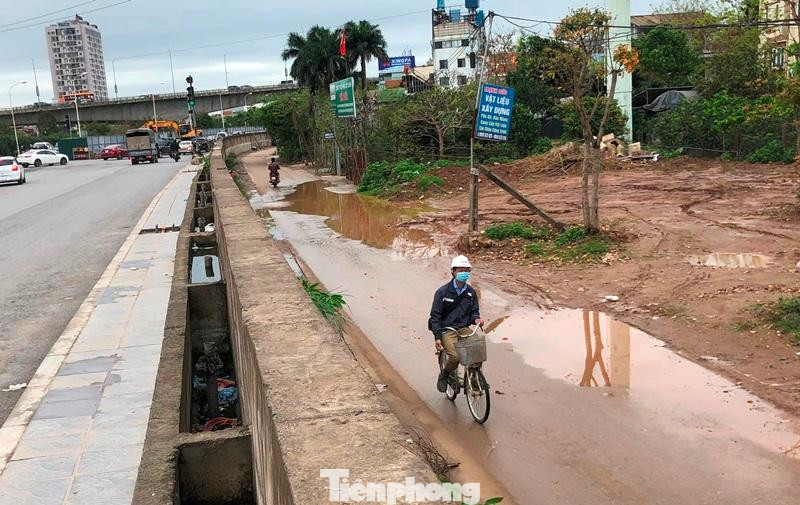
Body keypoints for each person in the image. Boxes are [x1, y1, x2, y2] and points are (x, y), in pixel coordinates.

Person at [428, 255, 484, 393]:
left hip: (464, 328)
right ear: (453, 271)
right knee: (455, 357)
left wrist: (476, 319)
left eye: (467, 270)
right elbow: (435, 316)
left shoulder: (471, 293)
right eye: (461, 270)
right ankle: (445, 374)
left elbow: (474, 312)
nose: (464, 273)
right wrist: (437, 336)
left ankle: (473, 379)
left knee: (478, 350)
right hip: (447, 330)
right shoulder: (442, 292)